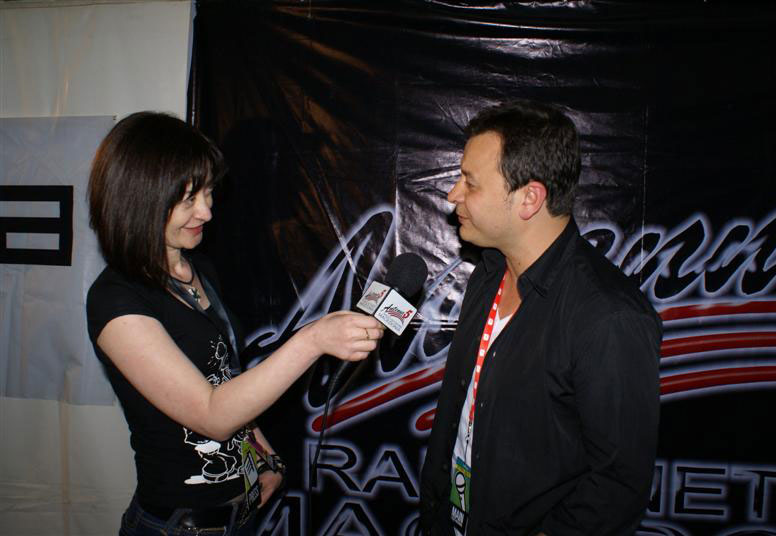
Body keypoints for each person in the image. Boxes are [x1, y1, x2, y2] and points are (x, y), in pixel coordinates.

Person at [85, 112, 384, 535]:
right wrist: (313, 340)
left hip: (238, 517)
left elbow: (225, 378)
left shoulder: (200, 269)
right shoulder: (116, 298)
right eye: (188, 199)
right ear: (141, 197)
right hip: (178, 526)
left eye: (208, 192)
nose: (206, 211)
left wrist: (263, 455)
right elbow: (211, 414)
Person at [420, 101, 662, 535]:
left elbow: (618, 484)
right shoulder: (488, 275)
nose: (453, 194)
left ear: (529, 198)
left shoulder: (608, 316)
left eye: (470, 182)